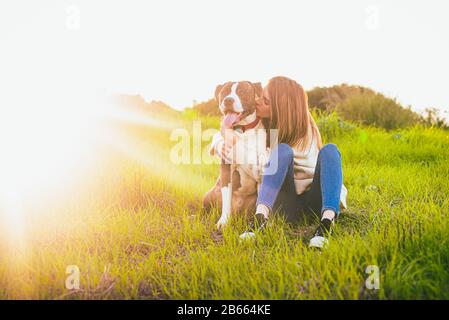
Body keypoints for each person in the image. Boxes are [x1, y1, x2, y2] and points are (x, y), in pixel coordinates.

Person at [214, 76, 347, 248]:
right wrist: (219, 143)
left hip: (314, 201)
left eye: (265, 101)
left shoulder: (306, 130)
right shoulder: (265, 125)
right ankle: (259, 220)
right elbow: (235, 131)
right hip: (286, 204)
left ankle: (326, 224)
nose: (257, 101)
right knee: (282, 151)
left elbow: (325, 170)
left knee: (331, 150)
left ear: (280, 108)